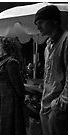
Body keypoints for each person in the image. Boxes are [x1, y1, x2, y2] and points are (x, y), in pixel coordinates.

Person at [34, 5, 68, 135]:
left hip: (58, 109)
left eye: (41, 22)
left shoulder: (66, 40)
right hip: (45, 105)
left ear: (54, 20)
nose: (38, 27)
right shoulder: (47, 46)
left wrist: (60, 105)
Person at [0, 37, 26, 135]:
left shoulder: (11, 62)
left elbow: (17, 85)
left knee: (8, 126)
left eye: (0, 47)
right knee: (2, 123)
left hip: (10, 99)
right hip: (3, 97)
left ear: (6, 49)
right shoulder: (4, 61)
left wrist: (21, 98)